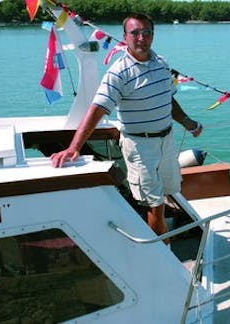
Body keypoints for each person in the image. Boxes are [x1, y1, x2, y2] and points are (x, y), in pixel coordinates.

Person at [50, 13, 202, 244]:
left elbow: (168, 100)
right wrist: (74, 147)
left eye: (147, 32)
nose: (141, 37)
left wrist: (188, 123)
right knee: (155, 205)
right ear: (125, 37)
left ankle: (161, 244)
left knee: (169, 190)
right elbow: (97, 109)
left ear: (152, 35)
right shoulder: (118, 72)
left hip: (166, 140)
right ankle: (163, 256)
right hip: (140, 146)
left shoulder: (161, 63)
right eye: (135, 32)